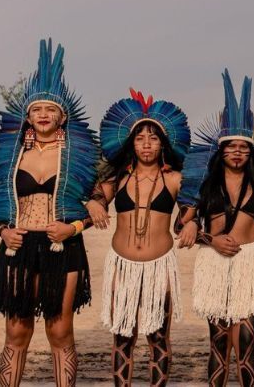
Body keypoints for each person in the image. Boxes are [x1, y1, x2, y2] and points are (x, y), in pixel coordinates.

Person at [0, 39, 100, 387]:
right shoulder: (14, 155)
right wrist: (4, 231)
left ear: (63, 116)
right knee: (17, 329)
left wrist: (74, 227)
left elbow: (97, 205)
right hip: (17, 247)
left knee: (60, 328)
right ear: (28, 116)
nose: (44, 115)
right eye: (37, 110)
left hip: (62, 247)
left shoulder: (78, 157)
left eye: (51, 110)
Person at [176, 71, 254, 386]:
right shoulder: (202, 184)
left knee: (247, 341)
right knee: (219, 341)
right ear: (221, 150)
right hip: (213, 263)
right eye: (231, 147)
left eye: (243, 147)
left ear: (251, 151)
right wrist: (206, 238)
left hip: (249, 262)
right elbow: (181, 225)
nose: (237, 152)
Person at [89, 89, 191, 386]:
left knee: (158, 338)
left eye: (154, 138)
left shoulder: (174, 179)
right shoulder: (117, 178)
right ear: (130, 143)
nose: (147, 144)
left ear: (163, 144)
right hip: (122, 267)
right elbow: (95, 195)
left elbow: (189, 211)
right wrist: (95, 203)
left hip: (160, 266)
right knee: (122, 337)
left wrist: (191, 223)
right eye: (140, 138)